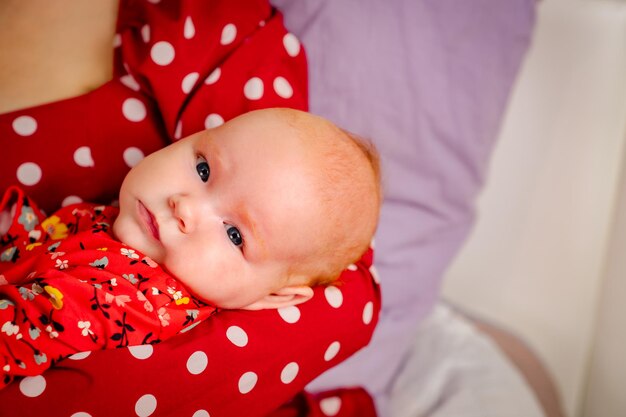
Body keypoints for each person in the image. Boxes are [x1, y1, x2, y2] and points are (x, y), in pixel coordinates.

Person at [0, 107, 381, 389]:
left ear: (275, 295)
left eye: (235, 235)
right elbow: (44, 246)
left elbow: (27, 330)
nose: (185, 207)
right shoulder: (135, 231)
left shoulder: (135, 301)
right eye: (203, 169)